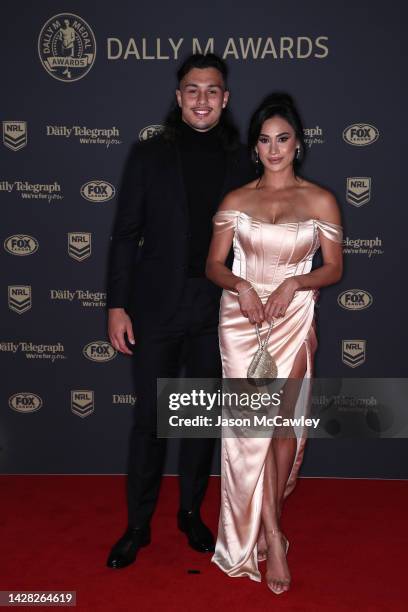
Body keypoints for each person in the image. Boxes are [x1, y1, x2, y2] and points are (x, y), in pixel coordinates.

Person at [105, 53, 255, 569]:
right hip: (155, 306)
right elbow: (125, 235)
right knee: (150, 420)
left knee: (196, 419)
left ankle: (190, 512)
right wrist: (117, 305)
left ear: (225, 98)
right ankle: (138, 525)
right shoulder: (148, 154)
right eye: (193, 90)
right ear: (178, 96)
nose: (202, 99)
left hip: (216, 309)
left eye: (212, 90)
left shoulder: (243, 159)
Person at [206, 93, 343, 594]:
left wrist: (294, 283)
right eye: (264, 140)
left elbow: (333, 267)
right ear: (254, 149)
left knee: (282, 427)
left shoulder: (321, 199)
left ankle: (272, 521)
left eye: (283, 138)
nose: (274, 148)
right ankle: (272, 534)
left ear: (298, 144)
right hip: (242, 321)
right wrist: (240, 285)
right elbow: (214, 265)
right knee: (252, 429)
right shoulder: (236, 201)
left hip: (292, 317)